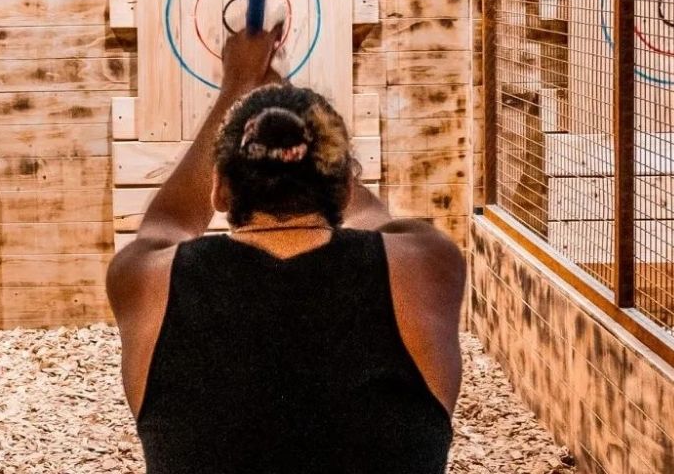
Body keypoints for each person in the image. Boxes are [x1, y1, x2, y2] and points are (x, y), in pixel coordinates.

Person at [107, 23, 466, 474]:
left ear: (219, 191)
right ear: (342, 187)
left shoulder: (145, 280)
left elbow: (167, 223)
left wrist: (235, 85)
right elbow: (377, 222)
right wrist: (290, 107)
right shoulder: (426, 266)